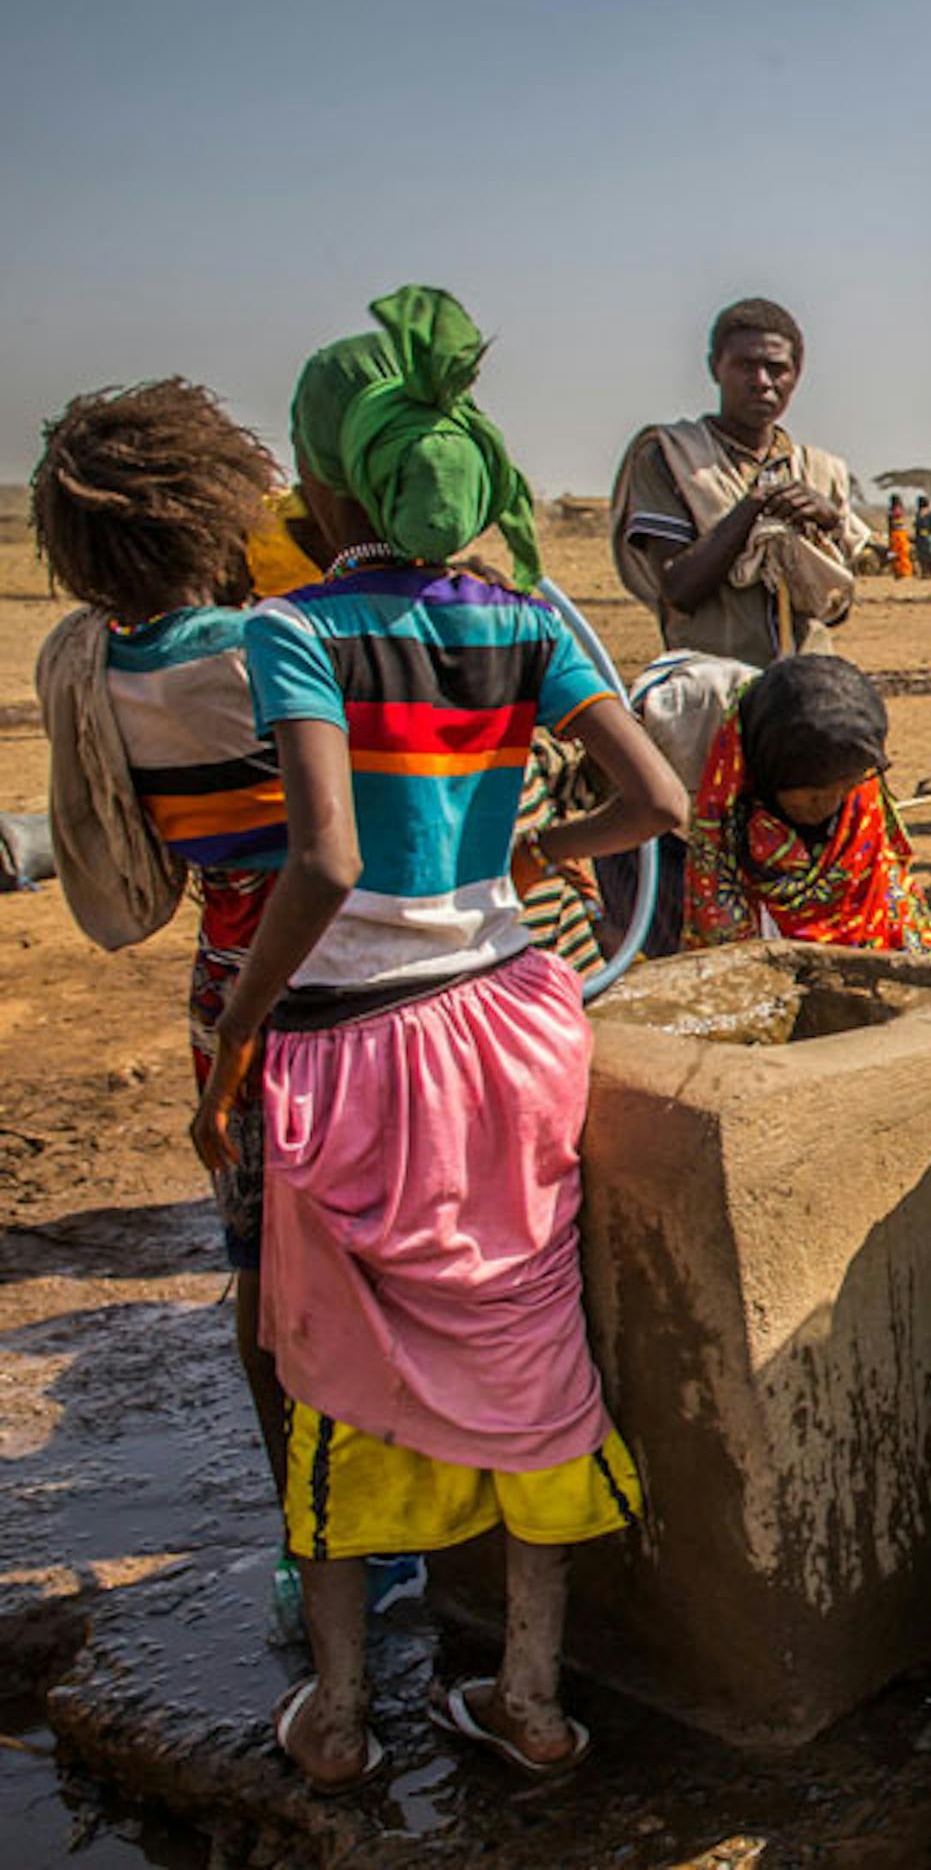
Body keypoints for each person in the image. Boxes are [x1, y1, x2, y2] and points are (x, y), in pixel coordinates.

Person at [194, 285, 686, 1791]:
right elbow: (660, 805)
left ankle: (339, 1718)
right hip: (511, 1021)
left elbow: (327, 861)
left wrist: (236, 1045)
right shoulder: (534, 618)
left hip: (355, 1043)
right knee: (528, 1339)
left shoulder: (293, 631)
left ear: (330, 482)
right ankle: (528, 1697)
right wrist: (537, 861)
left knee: (343, 1363)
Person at [31, 379, 301, 1533]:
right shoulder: (271, 653)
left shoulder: (95, 668)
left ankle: (298, 1508)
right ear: (213, 508)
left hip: (222, 981)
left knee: (257, 1254)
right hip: (337, 981)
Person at [609, 298, 870, 667]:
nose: (762, 382)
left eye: (776, 369)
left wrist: (828, 523)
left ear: (797, 374)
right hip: (713, 685)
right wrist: (752, 507)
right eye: (745, 366)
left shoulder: (820, 471)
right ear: (715, 368)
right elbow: (679, 590)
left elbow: (836, 610)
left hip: (809, 687)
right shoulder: (671, 456)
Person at [683, 654, 931, 954]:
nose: (830, 804)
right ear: (769, 771)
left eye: (845, 788)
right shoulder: (727, 836)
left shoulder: (862, 810)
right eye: (813, 794)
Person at [886, 493, 915, 580]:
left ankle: (900, 572)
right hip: (900, 536)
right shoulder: (898, 512)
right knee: (902, 555)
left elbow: (891, 527)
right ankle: (903, 572)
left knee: (897, 555)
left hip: (896, 536)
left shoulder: (891, 513)